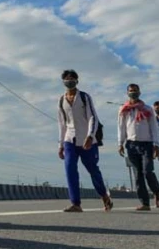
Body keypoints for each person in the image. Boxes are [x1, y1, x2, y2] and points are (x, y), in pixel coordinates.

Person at [57, 70, 113, 212]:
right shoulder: (61, 100)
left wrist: (90, 136)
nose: (69, 81)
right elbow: (62, 124)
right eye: (67, 79)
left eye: (72, 78)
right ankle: (76, 203)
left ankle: (104, 195)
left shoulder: (84, 97)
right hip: (69, 140)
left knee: (93, 170)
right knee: (70, 169)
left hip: (87, 140)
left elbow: (92, 117)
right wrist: (61, 144)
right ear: (63, 82)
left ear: (77, 80)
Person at [118, 84, 159, 211]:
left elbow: (154, 127)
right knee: (138, 175)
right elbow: (121, 127)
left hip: (146, 144)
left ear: (139, 92)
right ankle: (145, 203)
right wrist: (120, 143)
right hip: (131, 145)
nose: (133, 93)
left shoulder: (147, 109)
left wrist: (156, 144)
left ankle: (157, 192)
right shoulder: (124, 109)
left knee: (147, 171)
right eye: (131, 91)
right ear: (127, 93)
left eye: (135, 91)